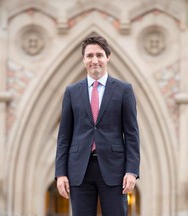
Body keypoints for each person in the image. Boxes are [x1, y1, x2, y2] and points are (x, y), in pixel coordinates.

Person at [55, 32, 140, 216]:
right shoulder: (71, 91)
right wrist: (60, 173)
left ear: (108, 57)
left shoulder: (124, 90)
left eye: (99, 55)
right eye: (90, 55)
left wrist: (131, 171)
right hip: (79, 170)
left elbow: (132, 134)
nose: (95, 60)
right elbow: (64, 136)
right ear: (83, 60)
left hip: (114, 170)